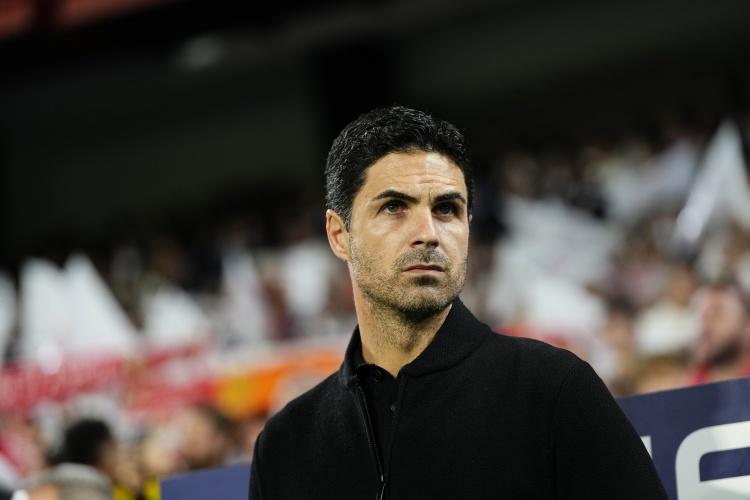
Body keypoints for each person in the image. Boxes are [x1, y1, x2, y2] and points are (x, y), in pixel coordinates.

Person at [249, 106, 667, 498]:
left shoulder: (555, 390)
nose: (428, 233)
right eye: (394, 207)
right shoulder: (285, 446)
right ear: (339, 235)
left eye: (447, 208)